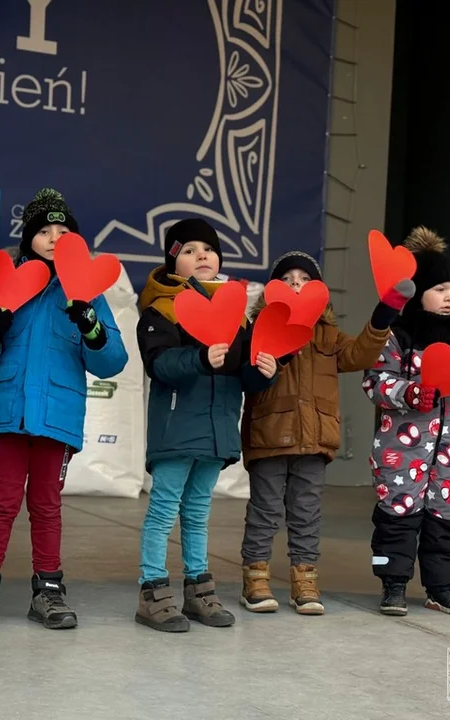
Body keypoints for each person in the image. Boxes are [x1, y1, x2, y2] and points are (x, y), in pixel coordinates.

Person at [0, 188, 128, 632]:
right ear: (28, 238)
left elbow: (113, 361)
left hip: (57, 417)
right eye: (44, 231)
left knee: (47, 505)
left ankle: (48, 590)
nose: (54, 238)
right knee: (1, 504)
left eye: (63, 231)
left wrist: (90, 324)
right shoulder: (5, 286)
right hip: (8, 416)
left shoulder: (87, 292)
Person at [238, 251, 415, 614]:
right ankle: (255, 576)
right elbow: (247, 375)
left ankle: (304, 578)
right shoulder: (259, 328)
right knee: (265, 510)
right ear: (272, 290)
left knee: (307, 512)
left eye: (305, 280)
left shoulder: (328, 334)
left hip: (315, 439)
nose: (296, 284)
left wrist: (384, 314)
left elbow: (360, 354)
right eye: (287, 279)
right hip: (269, 435)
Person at [134, 218, 278, 632]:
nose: (202, 255)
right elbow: (159, 364)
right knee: (163, 510)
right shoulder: (160, 310)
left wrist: (264, 372)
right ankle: (152, 592)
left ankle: (198, 590)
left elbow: (243, 373)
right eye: (190, 249)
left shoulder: (236, 315)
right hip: (177, 429)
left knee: (198, 513)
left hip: (217, 430)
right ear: (172, 260)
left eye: (209, 249)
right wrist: (198, 358)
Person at [361, 227, 450, 616]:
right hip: (402, 451)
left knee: (446, 520)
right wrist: (409, 393)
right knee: (397, 517)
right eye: (440, 289)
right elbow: (375, 382)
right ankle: (392, 584)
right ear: (418, 292)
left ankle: (443, 587)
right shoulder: (398, 336)